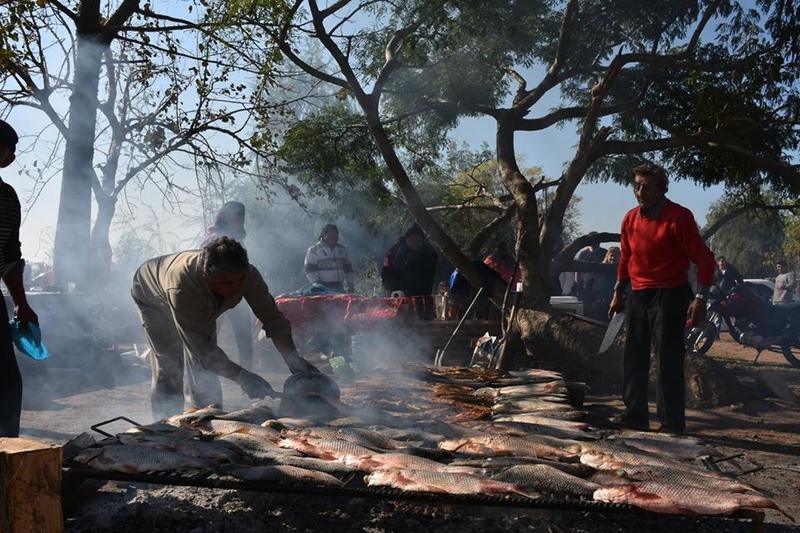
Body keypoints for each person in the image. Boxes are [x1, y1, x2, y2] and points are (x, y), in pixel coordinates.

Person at [132, 237, 319, 420]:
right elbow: (203, 352)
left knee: (203, 365)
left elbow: (272, 318)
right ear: (207, 276)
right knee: (170, 363)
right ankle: (165, 424)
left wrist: (292, 358)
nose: (237, 287)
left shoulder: (247, 275)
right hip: (152, 296)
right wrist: (243, 377)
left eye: (241, 280)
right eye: (228, 283)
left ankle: (206, 418)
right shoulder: (182, 288)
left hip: (194, 301)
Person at [608, 163, 715, 434]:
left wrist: (701, 297)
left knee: (667, 358)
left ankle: (671, 423)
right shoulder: (630, 219)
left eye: (647, 186)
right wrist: (618, 293)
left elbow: (704, 258)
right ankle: (634, 414)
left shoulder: (678, 217)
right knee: (633, 356)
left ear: (661, 189)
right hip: (638, 294)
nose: (640, 191)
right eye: (637, 186)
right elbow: (626, 258)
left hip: (670, 294)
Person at [0, 120, 39, 437]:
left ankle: (6, 458)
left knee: (7, 384)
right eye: (8, 148)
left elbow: (11, 256)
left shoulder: (8, 197)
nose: (11, 156)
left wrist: (21, 304)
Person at [199, 201, 254, 370]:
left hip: (236, 293)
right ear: (228, 217)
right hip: (215, 294)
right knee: (208, 335)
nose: (241, 220)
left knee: (244, 335)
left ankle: (247, 373)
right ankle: (206, 376)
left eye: (242, 216)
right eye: (238, 216)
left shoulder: (237, 239)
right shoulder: (213, 238)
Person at [381, 224, 438, 297]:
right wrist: (392, 289)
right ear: (406, 239)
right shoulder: (395, 252)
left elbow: (429, 277)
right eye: (413, 240)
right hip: (397, 293)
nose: (416, 243)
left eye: (419, 240)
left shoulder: (428, 254)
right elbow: (386, 273)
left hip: (420, 295)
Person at [304, 224, 355, 293]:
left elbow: (348, 269)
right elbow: (309, 269)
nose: (334, 237)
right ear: (324, 234)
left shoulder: (342, 249)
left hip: (339, 287)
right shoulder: (314, 250)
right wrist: (316, 283)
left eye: (336, 234)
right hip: (323, 289)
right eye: (331, 234)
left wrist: (350, 285)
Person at [574, 232, 607, 319]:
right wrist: (578, 285)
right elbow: (578, 270)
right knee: (585, 310)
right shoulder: (582, 254)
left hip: (600, 287)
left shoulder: (604, 253)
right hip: (585, 286)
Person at [593, 246, 620, 321]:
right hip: (601, 298)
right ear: (608, 256)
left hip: (614, 298)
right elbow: (596, 283)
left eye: (616, 256)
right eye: (611, 255)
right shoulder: (601, 268)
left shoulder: (621, 269)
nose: (613, 258)